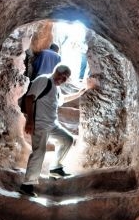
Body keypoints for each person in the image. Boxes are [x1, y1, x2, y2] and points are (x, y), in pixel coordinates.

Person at [19, 64, 94, 197]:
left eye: (66, 77)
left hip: (52, 125)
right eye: (61, 75)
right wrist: (30, 120)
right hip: (40, 124)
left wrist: (80, 92)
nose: (63, 78)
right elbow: (29, 98)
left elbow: (63, 100)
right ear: (56, 72)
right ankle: (27, 185)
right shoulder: (44, 80)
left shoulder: (56, 89)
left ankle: (55, 167)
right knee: (39, 152)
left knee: (67, 140)